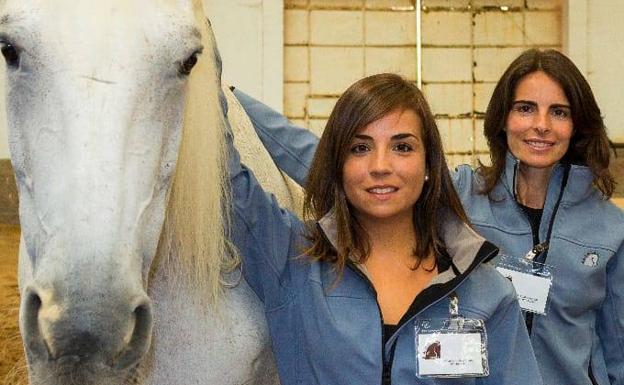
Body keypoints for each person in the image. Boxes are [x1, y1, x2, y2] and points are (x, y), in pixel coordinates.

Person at [234, 50, 624, 385]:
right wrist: (233, 102)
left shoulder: (610, 229)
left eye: (559, 111)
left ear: (578, 124)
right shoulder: (462, 196)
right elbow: (333, 164)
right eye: (525, 108)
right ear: (503, 119)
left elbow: (616, 346)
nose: (540, 124)